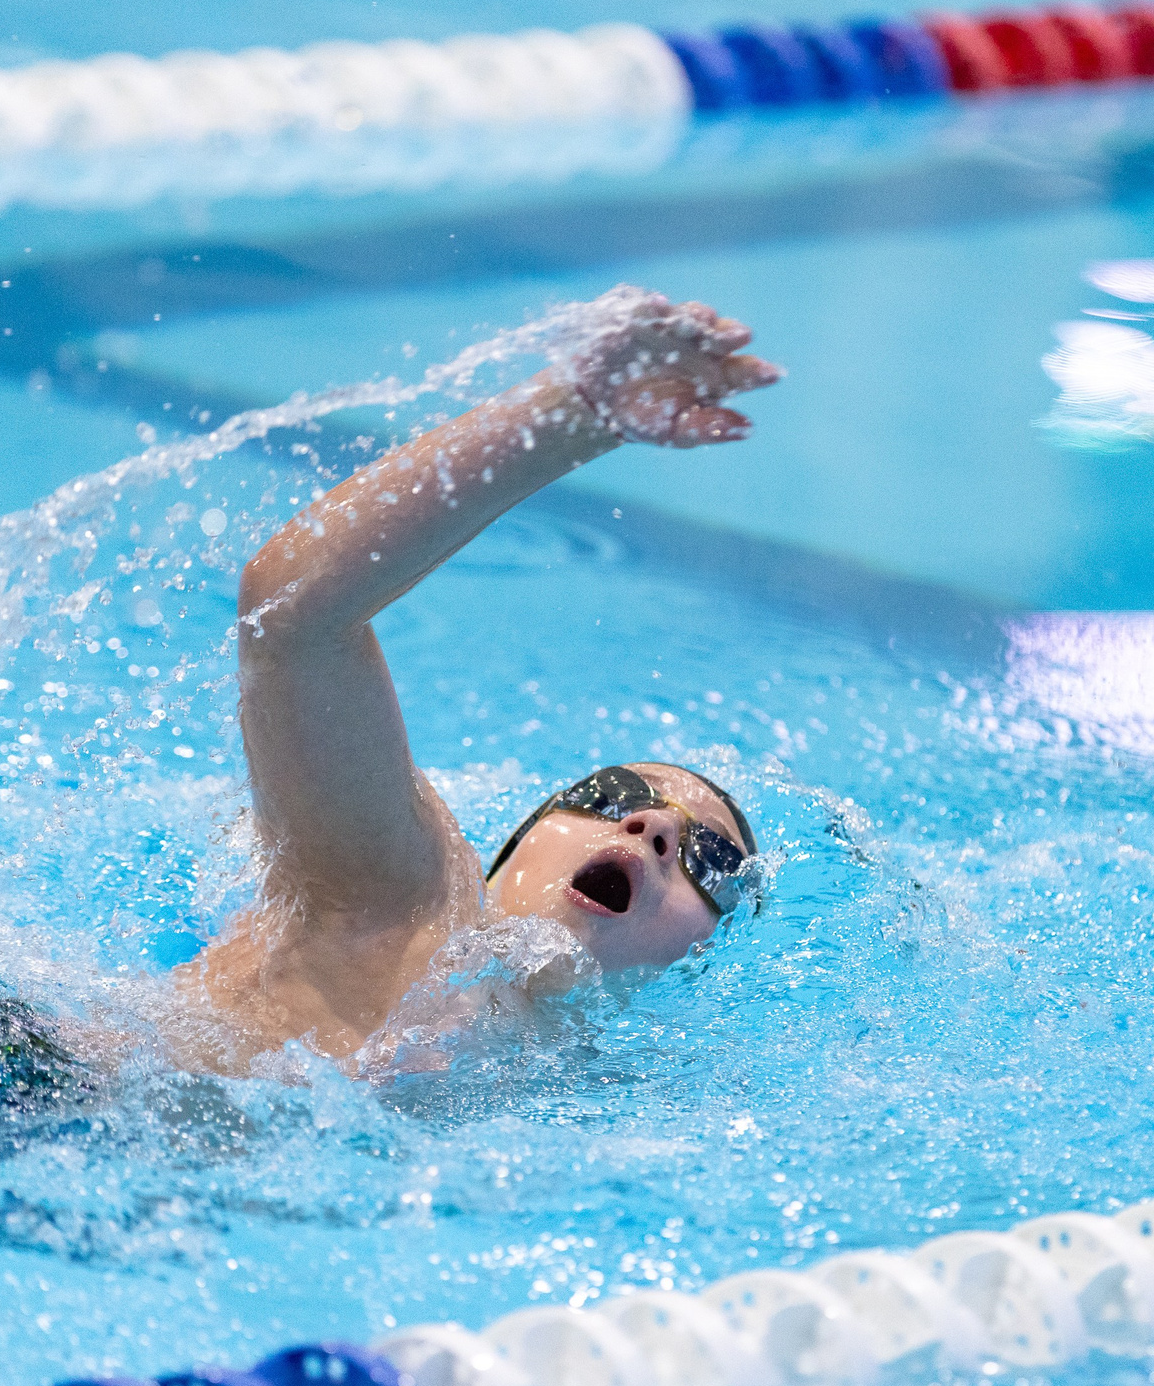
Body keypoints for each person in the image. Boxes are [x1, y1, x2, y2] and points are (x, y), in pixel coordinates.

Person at [158, 286, 783, 1075]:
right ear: (511, 853)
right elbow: (292, 618)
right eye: (610, 796)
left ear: (707, 960)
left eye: (711, 861)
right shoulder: (406, 903)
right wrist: (574, 415)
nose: (651, 826)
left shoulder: (567, 1091)